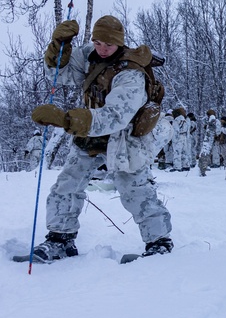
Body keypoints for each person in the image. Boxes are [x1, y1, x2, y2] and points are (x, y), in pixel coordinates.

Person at [24, 15, 173, 262]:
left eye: (109, 45)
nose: (102, 49)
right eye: (98, 42)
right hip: (90, 134)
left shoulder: (131, 72)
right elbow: (60, 76)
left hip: (124, 138)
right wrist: (58, 48)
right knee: (66, 185)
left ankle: (159, 243)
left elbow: (116, 116)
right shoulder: (90, 55)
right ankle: (60, 239)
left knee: (136, 191)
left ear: (120, 43)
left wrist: (66, 121)